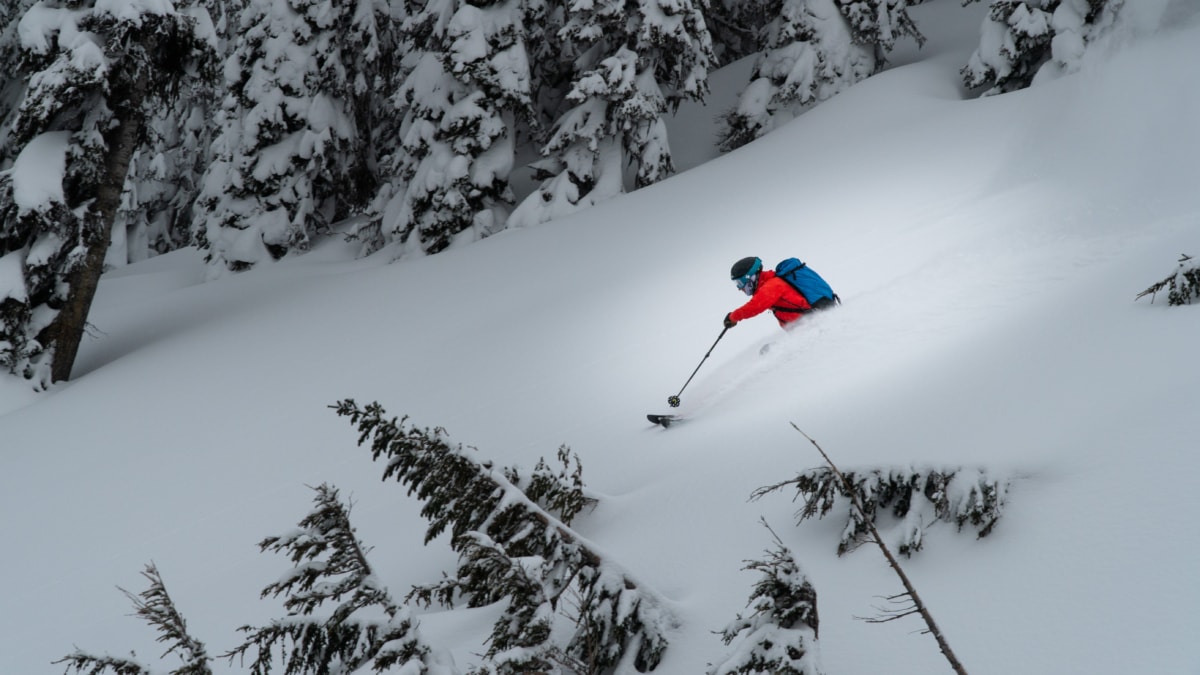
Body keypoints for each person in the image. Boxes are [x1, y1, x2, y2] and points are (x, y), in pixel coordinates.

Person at [723, 256, 813, 329]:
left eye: (740, 283)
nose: (739, 288)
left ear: (750, 277)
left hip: (810, 322)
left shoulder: (773, 285)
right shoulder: (768, 284)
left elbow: (755, 306)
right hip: (802, 326)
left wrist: (733, 317)